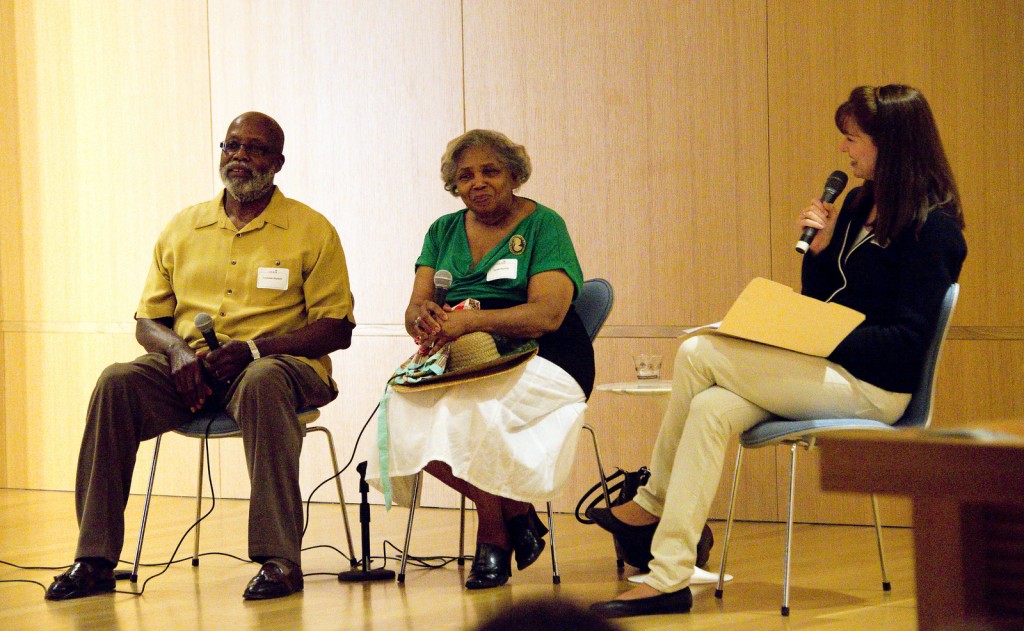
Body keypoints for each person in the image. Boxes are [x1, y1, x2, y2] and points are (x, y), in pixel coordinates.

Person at [588, 84, 967, 618]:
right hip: (827, 370)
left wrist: (819, 334)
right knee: (710, 406)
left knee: (698, 352)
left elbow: (905, 347)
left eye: (853, 138)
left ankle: (651, 503)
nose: (844, 150)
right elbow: (823, 298)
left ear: (891, 142)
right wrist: (818, 253)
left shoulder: (935, 230)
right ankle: (669, 576)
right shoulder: (859, 203)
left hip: (877, 390)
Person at [44, 112, 356, 602]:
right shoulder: (184, 226)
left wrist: (253, 349)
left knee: (262, 379)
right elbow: (148, 321)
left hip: (278, 367)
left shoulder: (311, 229)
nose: (240, 156)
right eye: (231, 145)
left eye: (255, 148)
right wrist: (176, 353)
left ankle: (279, 561)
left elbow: (337, 328)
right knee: (115, 382)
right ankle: (94, 559)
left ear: (278, 162)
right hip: (191, 372)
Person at [367, 129, 595, 589]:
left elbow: (548, 315)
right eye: (466, 175)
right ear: (454, 184)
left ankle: (491, 536)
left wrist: (471, 322)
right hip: (466, 359)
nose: (478, 182)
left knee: (468, 410)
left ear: (514, 175)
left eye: (490, 171)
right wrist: (423, 318)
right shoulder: (442, 230)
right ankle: (513, 513)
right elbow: (414, 309)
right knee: (400, 411)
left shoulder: (544, 225)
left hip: (548, 357)